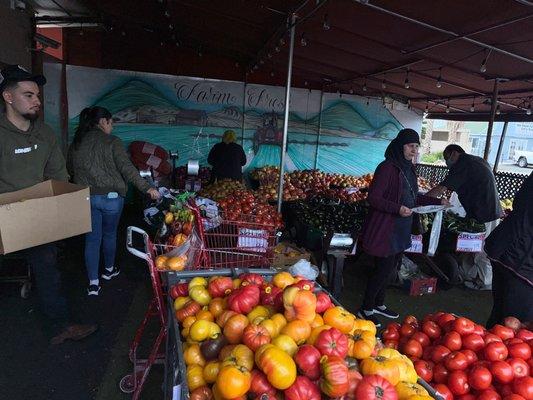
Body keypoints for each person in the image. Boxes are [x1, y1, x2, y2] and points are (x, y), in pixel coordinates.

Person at [0, 64, 97, 345]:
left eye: (37, 96)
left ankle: (61, 326)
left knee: (48, 266)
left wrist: (61, 207)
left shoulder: (45, 134)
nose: (37, 101)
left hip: (32, 214)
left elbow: (59, 175)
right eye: (28, 95)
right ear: (8, 97)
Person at [67, 106, 160, 296]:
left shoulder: (77, 143)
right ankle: (108, 271)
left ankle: (93, 283)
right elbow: (127, 168)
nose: (113, 128)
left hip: (87, 197)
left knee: (92, 239)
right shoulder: (112, 142)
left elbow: (70, 168)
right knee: (109, 235)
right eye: (111, 123)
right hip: (111, 199)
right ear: (103, 122)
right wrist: (147, 188)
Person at [359, 129, 447, 327]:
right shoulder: (387, 168)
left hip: (401, 228)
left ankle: (379, 304)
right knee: (382, 269)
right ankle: (365, 308)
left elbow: (413, 197)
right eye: (410, 146)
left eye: (416, 147)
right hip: (386, 228)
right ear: (400, 146)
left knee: (392, 268)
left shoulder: (409, 169)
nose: (414, 150)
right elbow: (373, 198)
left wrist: (436, 200)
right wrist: (397, 208)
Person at [484, 172, 533, 327]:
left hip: (507, 248)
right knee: (515, 328)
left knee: (500, 318)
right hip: (521, 261)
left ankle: (487, 345)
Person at [426, 144, 502, 224]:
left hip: (485, 215)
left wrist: (422, 200)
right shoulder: (477, 159)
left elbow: (441, 188)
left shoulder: (462, 163)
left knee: (479, 235)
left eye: (447, 158)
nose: (447, 162)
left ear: (454, 153)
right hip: (492, 212)